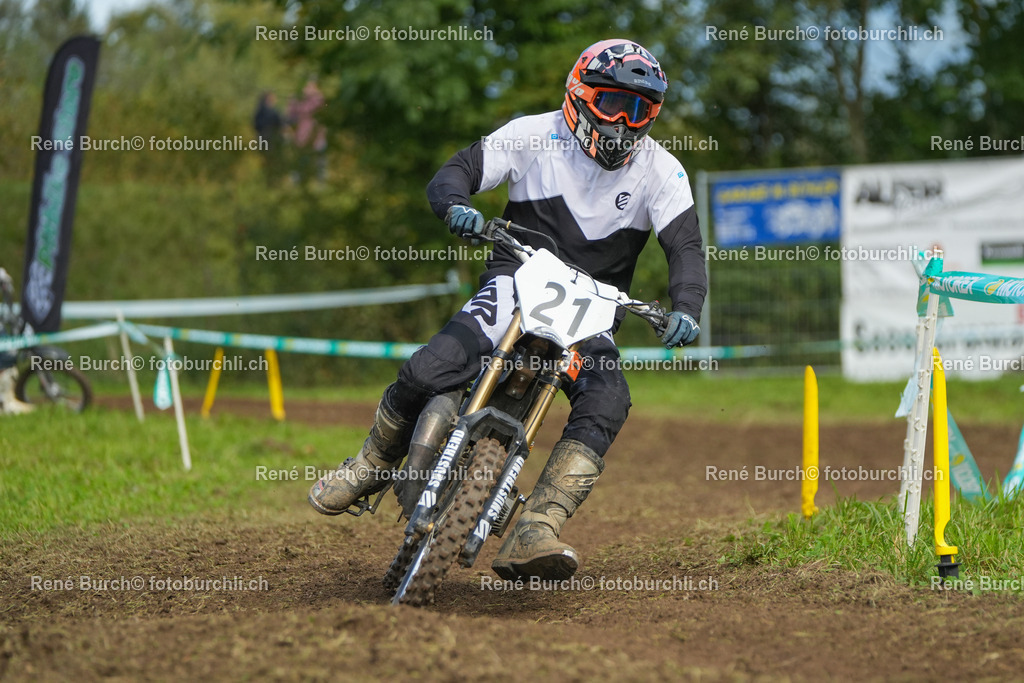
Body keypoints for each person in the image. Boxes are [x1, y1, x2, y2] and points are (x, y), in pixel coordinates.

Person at [309, 39, 707, 581]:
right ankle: (372, 463)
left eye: (639, 109)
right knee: (431, 366)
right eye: (612, 102)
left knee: (609, 397)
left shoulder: (662, 172)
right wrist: (457, 206)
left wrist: (686, 307)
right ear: (580, 94)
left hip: (591, 313)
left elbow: (685, 249)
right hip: (515, 284)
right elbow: (456, 172)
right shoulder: (534, 134)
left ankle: (536, 525)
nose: (622, 122)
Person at [252, 91, 285, 185]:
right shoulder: (272, 112)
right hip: (271, 138)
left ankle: (265, 179)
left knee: (264, 160)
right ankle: (272, 180)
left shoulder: (259, 111)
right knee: (272, 160)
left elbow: (255, 124)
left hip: (262, 137)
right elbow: (280, 123)